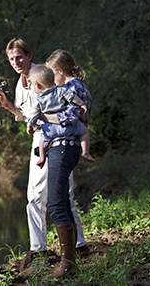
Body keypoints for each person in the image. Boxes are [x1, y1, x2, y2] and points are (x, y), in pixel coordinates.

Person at [0, 38, 90, 268]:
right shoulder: (18, 84)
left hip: (59, 136)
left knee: (65, 193)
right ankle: (38, 248)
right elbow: (27, 114)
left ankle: (79, 245)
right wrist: (7, 106)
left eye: (19, 57)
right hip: (40, 138)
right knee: (34, 195)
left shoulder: (43, 74)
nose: (16, 62)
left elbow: (58, 104)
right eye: (12, 59)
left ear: (29, 55)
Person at [43, 49, 94, 279]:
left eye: (52, 74)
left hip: (64, 147)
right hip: (64, 147)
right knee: (62, 200)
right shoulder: (73, 89)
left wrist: (41, 118)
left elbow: (69, 119)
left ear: (60, 71)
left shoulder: (73, 89)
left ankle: (66, 263)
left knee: (54, 204)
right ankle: (71, 261)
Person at [26, 64, 94, 168]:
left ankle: (42, 158)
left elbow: (33, 115)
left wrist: (30, 125)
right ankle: (85, 152)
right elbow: (72, 97)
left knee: (41, 139)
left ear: (38, 85)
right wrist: (82, 104)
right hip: (67, 126)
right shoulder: (61, 90)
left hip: (50, 130)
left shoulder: (38, 100)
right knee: (84, 131)